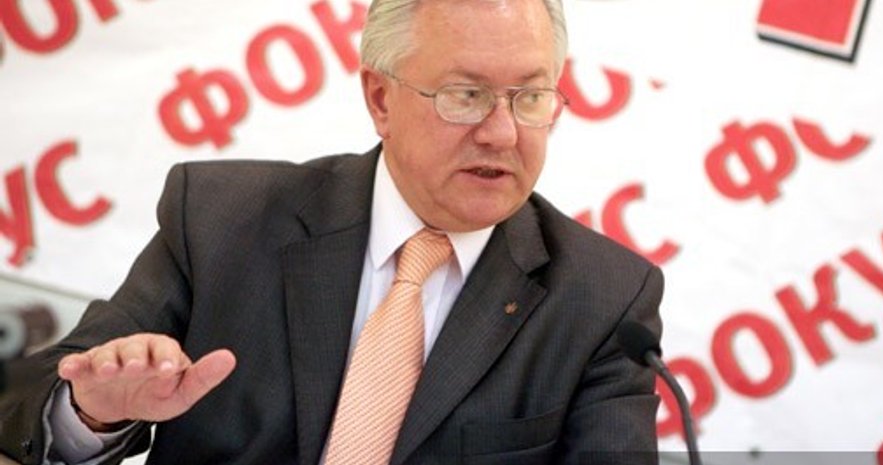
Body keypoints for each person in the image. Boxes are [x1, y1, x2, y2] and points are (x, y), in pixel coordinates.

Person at [0, 0, 664, 463]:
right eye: (466, 95)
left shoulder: (603, 299)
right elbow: (33, 399)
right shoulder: (222, 219)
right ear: (380, 98)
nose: (502, 131)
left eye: (530, 97)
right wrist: (91, 411)